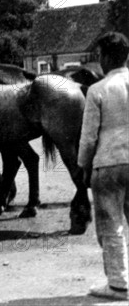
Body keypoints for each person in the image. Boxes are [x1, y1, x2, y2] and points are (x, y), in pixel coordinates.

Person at [78, 31, 129, 301]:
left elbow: (88, 137)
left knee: (111, 225)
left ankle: (119, 284)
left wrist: (83, 166)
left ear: (106, 57)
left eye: (99, 57)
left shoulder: (97, 90)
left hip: (109, 163)